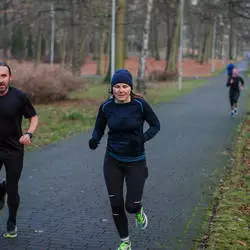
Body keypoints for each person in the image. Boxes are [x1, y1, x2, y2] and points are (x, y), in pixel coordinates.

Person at [88, 69, 160, 250]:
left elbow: (155, 125)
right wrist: (95, 139)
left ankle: (138, 211)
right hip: (112, 160)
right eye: (117, 87)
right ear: (111, 88)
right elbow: (99, 128)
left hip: (136, 160)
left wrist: (142, 139)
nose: (121, 90)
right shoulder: (106, 107)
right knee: (116, 203)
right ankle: (125, 242)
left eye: (124, 86)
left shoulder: (140, 105)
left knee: (131, 206)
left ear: (130, 88)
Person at [0, 62, 38, 238]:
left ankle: (11, 222)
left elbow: (33, 117)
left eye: (3, 76)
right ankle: (2, 190)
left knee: (13, 189)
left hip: (14, 149)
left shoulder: (19, 97)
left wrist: (29, 134)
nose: (0, 80)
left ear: (10, 78)